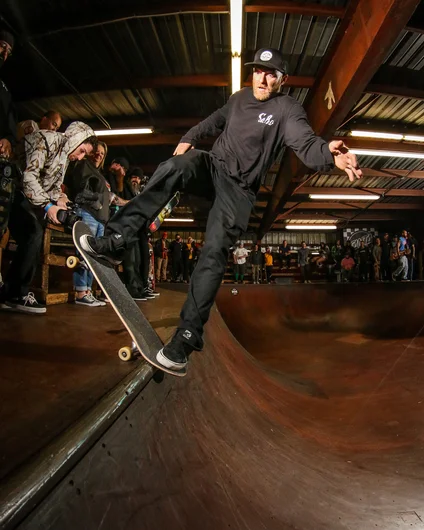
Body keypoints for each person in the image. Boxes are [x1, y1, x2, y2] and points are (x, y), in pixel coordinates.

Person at [78, 47, 362, 373]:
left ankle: (186, 336)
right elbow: (212, 122)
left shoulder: (287, 109)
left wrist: (329, 152)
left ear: (282, 79)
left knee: (213, 252)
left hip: (238, 192)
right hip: (213, 167)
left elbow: (306, 144)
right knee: (175, 167)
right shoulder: (240, 98)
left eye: (271, 74)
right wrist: (187, 140)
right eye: (258, 71)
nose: (262, 79)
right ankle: (116, 240)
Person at [1, 121, 97, 313]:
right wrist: (48, 206)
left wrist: (61, 199)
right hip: (8, 183)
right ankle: (15, 293)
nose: (80, 157)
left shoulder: (64, 159)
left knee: (33, 236)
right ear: (76, 139)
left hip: (20, 192)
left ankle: (12, 292)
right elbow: (30, 177)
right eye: (82, 151)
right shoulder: (47, 139)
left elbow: (52, 187)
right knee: (32, 233)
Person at [65, 141, 109, 306]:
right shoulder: (83, 165)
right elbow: (80, 191)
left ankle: (88, 291)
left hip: (99, 218)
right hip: (88, 213)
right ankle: (81, 291)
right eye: (96, 152)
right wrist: (97, 199)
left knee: (94, 257)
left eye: (102, 154)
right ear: (90, 153)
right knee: (84, 254)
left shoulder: (98, 174)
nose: (99, 155)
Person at [0, 27, 16, 159]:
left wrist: (8, 139)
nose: (5, 54)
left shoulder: (3, 89)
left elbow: (9, 121)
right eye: (2, 46)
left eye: (9, 51)